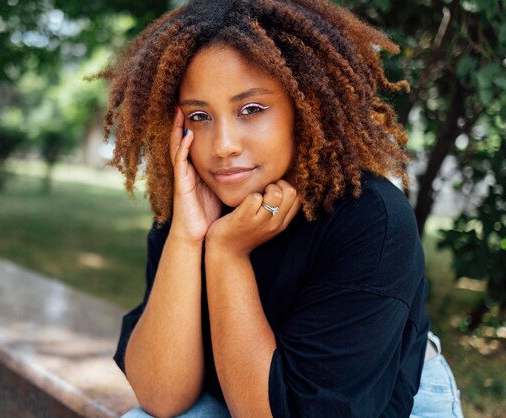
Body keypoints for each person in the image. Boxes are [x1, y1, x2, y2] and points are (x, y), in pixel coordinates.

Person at [98, 0, 464, 416]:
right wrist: (187, 237)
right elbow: (159, 398)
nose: (223, 146)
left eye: (251, 109)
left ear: (306, 107)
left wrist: (227, 254)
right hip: (242, 390)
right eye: (200, 116)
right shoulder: (193, 204)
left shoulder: (370, 218)